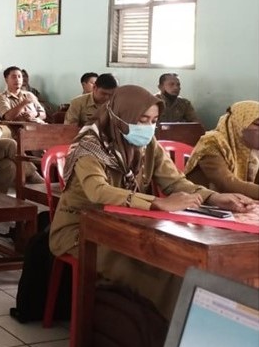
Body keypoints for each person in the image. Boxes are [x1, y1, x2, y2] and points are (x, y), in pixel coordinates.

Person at [49, 85, 255, 318]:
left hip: (127, 224)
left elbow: (175, 182)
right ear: (121, 115)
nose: (147, 128)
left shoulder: (147, 144)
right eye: (142, 119)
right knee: (159, 274)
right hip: (82, 230)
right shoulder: (90, 145)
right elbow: (98, 191)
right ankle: (164, 336)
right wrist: (156, 203)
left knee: (179, 264)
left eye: (153, 120)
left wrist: (216, 197)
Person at [186, 101, 259, 199]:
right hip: (203, 203)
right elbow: (226, 183)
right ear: (239, 123)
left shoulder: (251, 149)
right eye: (257, 124)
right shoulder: (211, 142)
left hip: (234, 203)